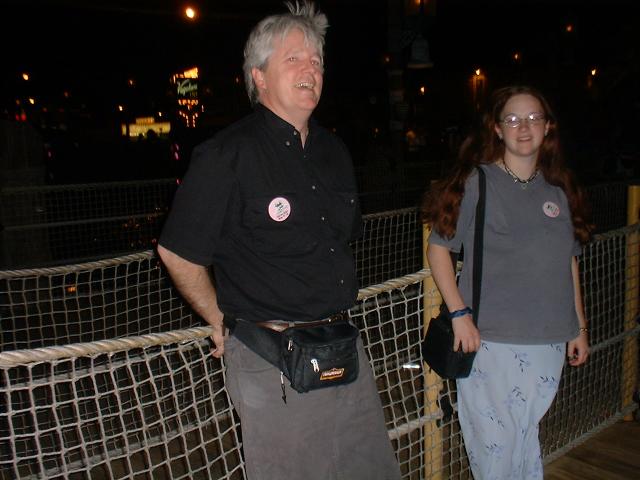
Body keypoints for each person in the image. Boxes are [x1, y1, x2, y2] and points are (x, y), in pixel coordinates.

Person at [157, 2, 401, 479]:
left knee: (372, 470)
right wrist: (217, 320)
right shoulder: (226, 155)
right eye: (294, 58)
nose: (310, 67)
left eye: (317, 60)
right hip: (273, 358)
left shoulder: (335, 151)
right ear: (259, 76)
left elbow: (341, 241)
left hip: (343, 344)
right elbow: (177, 251)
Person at [422, 85, 592, 479]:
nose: (524, 127)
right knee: (494, 452)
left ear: (548, 127)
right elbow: (439, 248)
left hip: (548, 342)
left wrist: (578, 328)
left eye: (534, 118)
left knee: (524, 442)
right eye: (512, 119)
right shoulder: (477, 183)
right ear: (497, 130)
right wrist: (459, 313)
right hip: (489, 341)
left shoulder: (558, 190)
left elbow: (569, 264)